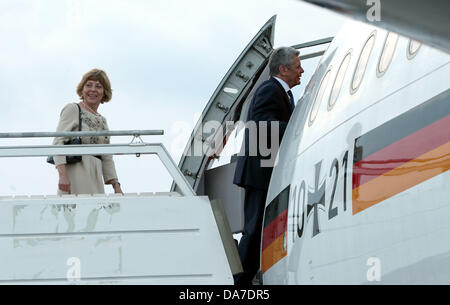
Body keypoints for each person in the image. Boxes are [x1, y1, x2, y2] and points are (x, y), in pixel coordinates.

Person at [233, 47, 304, 285]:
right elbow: (263, 126)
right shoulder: (269, 90)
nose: (301, 70)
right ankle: (239, 283)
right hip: (259, 173)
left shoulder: (282, 93)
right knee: (253, 232)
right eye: (297, 67)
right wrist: (296, 127)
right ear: (283, 70)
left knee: (258, 231)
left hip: (266, 172)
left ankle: (245, 278)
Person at [53, 69, 123, 195]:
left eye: (98, 86)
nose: (93, 89)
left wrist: (116, 185)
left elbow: (107, 156)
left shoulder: (103, 121)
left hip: (95, 177)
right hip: (76, 175)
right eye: (89, 85)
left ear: (104, 92)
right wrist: (62, 176)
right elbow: (58, 143)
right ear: (82, 89)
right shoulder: (73, 109)